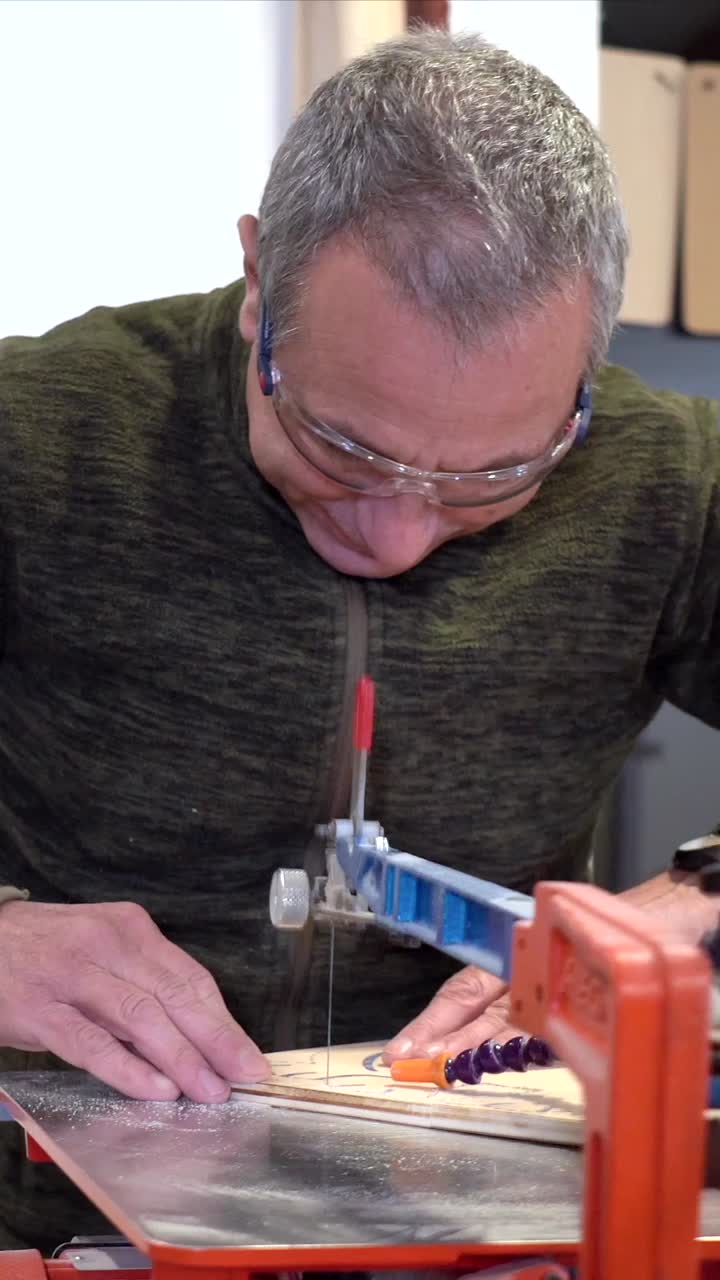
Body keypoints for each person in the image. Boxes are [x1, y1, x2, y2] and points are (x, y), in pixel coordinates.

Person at [0, 25, 718, 1252]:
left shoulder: (667, 480)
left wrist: (696, 903)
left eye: (495, 474)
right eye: (346, 447)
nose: (397, 532)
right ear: (257, 280)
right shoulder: (39, 437)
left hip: (493, 1227)